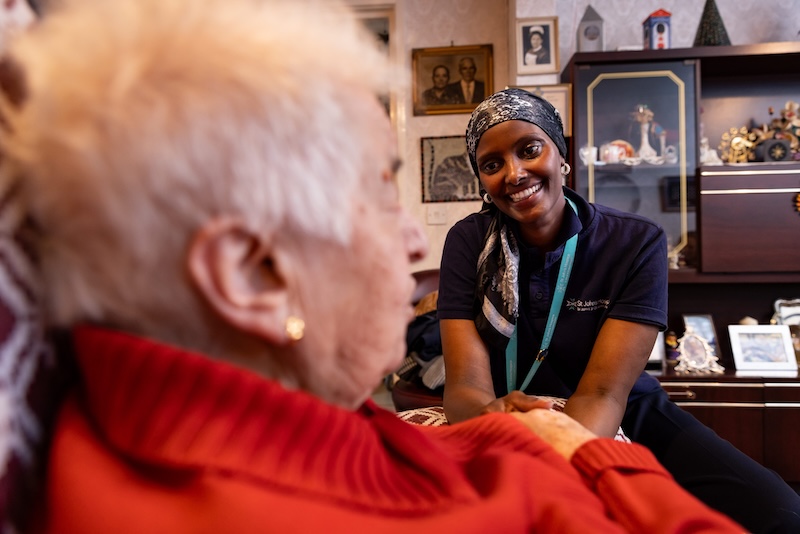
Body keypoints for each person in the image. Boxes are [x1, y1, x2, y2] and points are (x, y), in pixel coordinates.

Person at [0, 0, 744, 532]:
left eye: (530, 152)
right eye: (382, 193)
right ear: (254, 276)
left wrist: (527, 435)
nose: (415, 246)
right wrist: (579, 454)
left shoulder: (279, 406)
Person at [437, 87, 800, 533]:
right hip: (501, 409)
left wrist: (552, 465)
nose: (514, 173)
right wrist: (495, 427)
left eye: (529, 150)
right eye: (492, 164)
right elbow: (465, 387)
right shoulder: (468, 242)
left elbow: (603, 394)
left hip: (621, 407)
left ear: (562, 155)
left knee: (781, 513)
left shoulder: (635, 242)